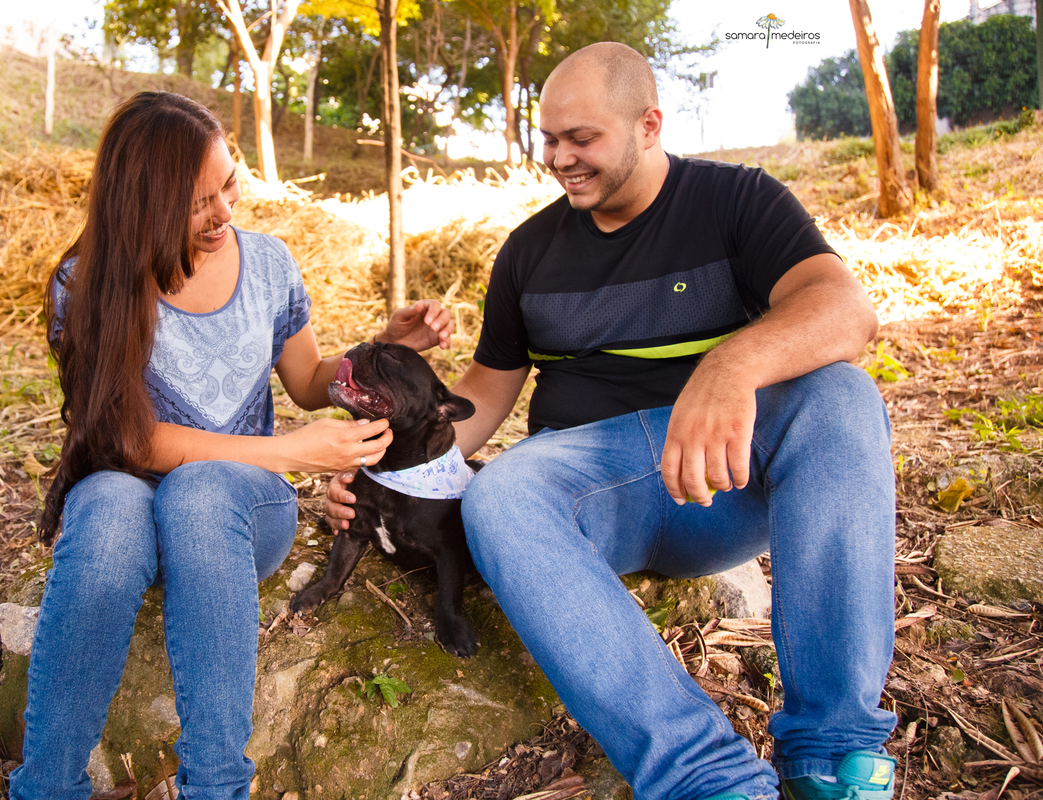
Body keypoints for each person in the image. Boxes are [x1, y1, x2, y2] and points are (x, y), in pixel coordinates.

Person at [326, 43, 897, 800]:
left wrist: (730, 367)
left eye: (582, 139)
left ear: (648, 124)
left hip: (722, 480)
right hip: (589, 483)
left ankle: (831, 755)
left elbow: (846, 310)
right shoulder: (529, 252)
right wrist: (377, 473)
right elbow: (485, 394)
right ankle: (706, 778)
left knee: (844, 397)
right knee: (500, 496)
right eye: (549, 139)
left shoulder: (737, 201)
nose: (559, 158)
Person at [9, 91, 453, 800]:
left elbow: (308, 381)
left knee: (200, 490)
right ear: (139, 207)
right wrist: (293, 453)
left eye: (229, 186)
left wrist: (385, 350)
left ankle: (216, 788)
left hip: (237, 511)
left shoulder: (269, 264)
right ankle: (46, 789)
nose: (223, 213)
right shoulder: (87, 282)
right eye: (196, 203)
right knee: (107, 514)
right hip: (133, 488)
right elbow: (131, 439)